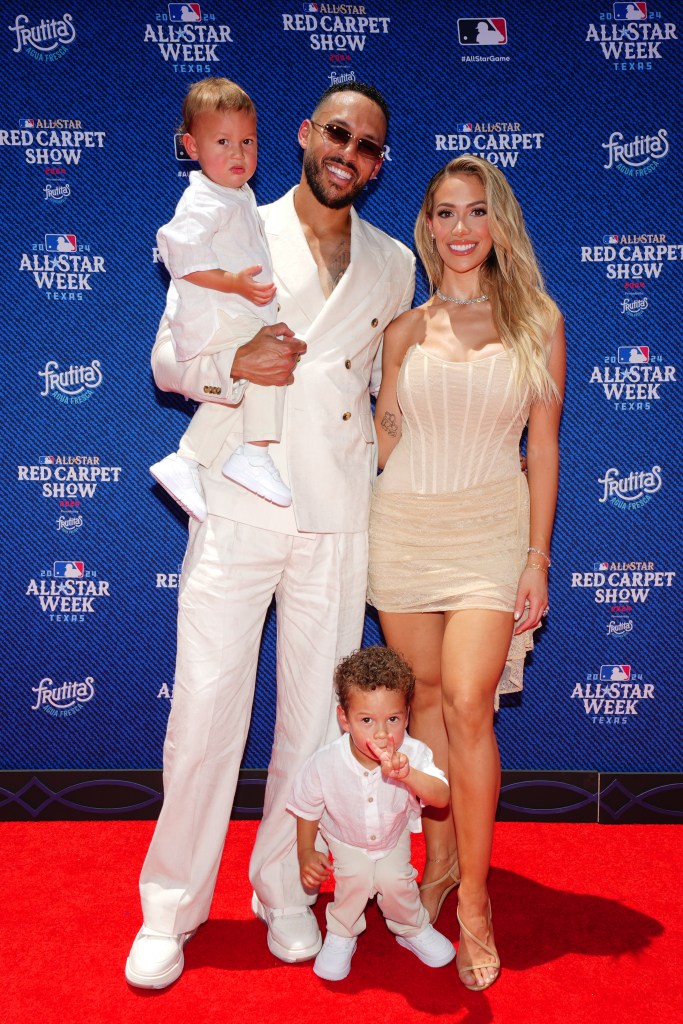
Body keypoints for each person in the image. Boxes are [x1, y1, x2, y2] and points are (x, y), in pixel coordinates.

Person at [125, 82, 415, 989]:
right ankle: (170, 907)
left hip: (336, 514)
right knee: (205, 711)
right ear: (303, 135)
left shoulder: (395, 261)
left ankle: (284, 891)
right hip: (241, 499)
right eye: (337, 133)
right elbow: (170, 359)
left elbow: (384, 397)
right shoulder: (235, 220)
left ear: (376, 165)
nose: (349, 153)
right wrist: (228, 365)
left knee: (306, 726)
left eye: (367, 146)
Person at [369, 155, 565, 992]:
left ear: (497, 224)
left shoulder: (537, 320)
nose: (459, 229)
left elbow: (544, 446)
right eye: (445, 213)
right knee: (418, 700)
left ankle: (476, 900)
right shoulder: (403, 331)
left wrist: (535, 557)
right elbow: (381, 436)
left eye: (475, 212)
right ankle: (439, 859)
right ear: (427, 227)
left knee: (468, 702)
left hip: (491, 530)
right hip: (404, 529)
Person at [150, 77, 292, 519]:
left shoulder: (237, 196)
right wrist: (234, 283)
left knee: (261, 372)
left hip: (235, 313)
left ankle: (189, 458)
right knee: (270, 365)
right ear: (191, 146)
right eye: (223, 141)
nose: (238, 153)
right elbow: (176, 245)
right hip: (218, 316)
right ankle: (252, 454)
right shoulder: (204, 200)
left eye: (247, 141)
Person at [288, 646, 454, 981]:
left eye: (392, 719)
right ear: (344, 719)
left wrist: (409, 775)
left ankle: (412, 929)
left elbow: (441, 797)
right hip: (346, 840)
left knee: (398, 883)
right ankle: (342, 934)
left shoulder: (413, 752)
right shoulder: (325, 762)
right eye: (367, 720)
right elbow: (307, 808)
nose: (381, 734)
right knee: (354, 883)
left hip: (393, 837)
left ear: (406, 716)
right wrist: (307, 852)